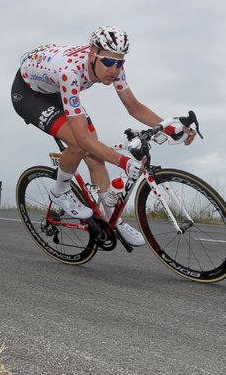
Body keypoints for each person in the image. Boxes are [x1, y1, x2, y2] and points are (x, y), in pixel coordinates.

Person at [12, 26, 196, 247]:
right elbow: (83, 140)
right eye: (109, 62)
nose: (115, 69)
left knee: (96, 156)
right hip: (30, 94)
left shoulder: (113, 68)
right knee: (80, 145)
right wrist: (123, 162)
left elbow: (134, 107)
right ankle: (59, 191)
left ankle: (112, 220)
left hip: (56, 89)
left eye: (120, 62)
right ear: (92, 54)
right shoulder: (70, 72)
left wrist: (166, 126)